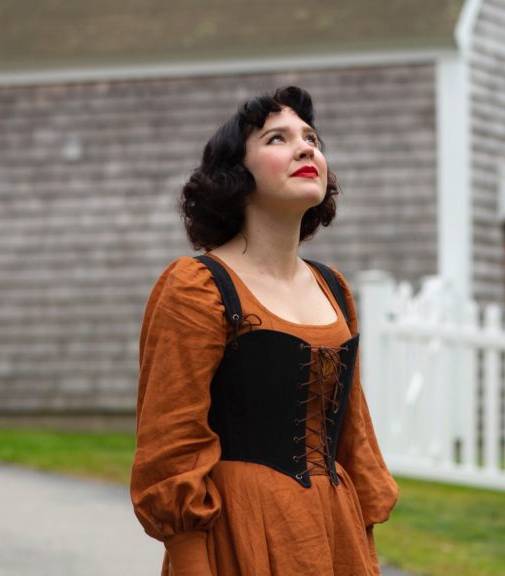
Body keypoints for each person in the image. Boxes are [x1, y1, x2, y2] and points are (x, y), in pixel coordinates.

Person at [130, 86, 399, 576]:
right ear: (238, 175)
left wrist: (363, 550)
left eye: (312, 139)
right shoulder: (198, 286)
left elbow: (354, 440)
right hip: (241, 534)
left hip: (333, 532)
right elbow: (170, 447)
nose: (305, 148)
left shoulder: (333, 288)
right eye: (277, 139)